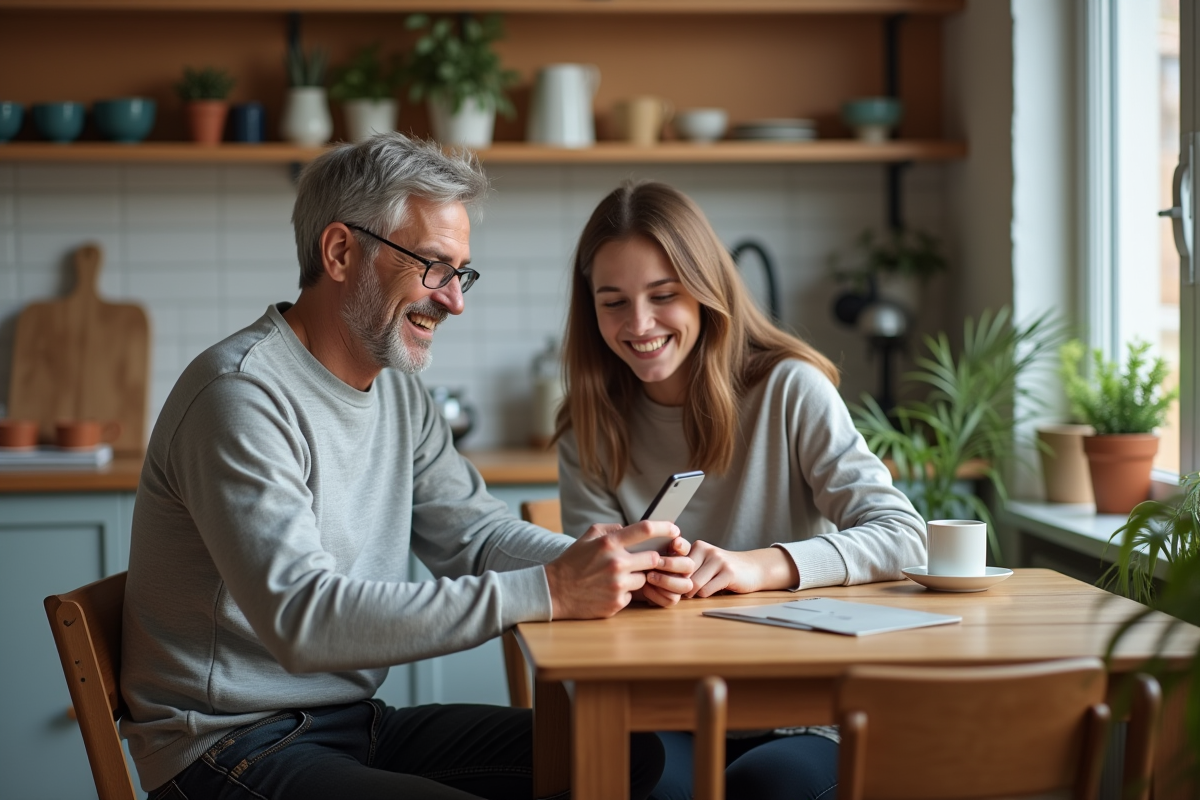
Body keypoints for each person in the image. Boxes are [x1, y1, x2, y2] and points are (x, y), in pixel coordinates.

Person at [120, 135, 695, 800]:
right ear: (340, 252)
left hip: (353, 724)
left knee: (632, 758)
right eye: (433, 267)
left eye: (462, 272)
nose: (454, 301)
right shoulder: (240, 397)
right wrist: (555, 591)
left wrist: (607, 567)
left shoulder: (397, 390)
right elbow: (303, 621)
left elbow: (475, 537)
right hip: (229, 746)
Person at [554, 180, 928, 800]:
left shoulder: (789, 388)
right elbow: (593, 596)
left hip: (804, 711)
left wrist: (757, 566)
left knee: (767, 787)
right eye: (612, 301)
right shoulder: (589, 426)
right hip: (663, 706)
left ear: (707, 293)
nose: (639, 324)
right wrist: (633, 580)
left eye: (663, 295)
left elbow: (903, 536)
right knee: (637, 781)